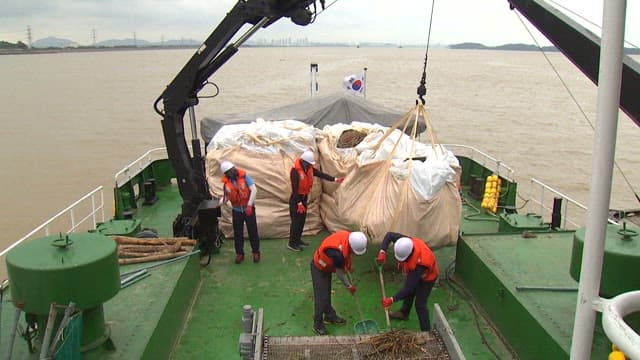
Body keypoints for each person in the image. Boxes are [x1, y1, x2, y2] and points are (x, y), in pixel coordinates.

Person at [377, 232, 439, 331]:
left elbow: (408, 289)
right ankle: (404, 313)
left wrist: (392, 299)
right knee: (410, 293)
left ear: (409, 256)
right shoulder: (405, 243)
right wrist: (382, 251)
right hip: (414, 270)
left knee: (420, 304)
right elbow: (389, 235)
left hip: (428, 277)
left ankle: (426, 332)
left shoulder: (420, 264)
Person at [310, 230, 368, 335]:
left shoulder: (348, 236)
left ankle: (329, 316)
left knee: (326, 293)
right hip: (319, 267)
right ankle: (317, 325)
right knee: (321, 297)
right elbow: (340, 274)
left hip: (327, 266)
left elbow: (344, 258)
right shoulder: (337, 255)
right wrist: (349, 286)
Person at [288, 150, 344, 252]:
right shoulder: (295, 171)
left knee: (301, 221)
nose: (310, 165)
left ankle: (298, 239)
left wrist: (335, 179)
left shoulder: (309, 169)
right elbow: (295, 189)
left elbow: (320, 174)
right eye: (309, 163)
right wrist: (299, 203)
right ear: (304, 161)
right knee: (296, 221)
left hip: (304, 197)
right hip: (296, 199)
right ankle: (292, 243)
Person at [219, 160, 260, 264]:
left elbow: (254, 190)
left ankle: (256, 252)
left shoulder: (245, 177)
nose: (232, 172)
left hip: (248, 208)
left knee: (253, 231)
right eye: (229, 172)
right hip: (237, 210)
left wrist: (250, 205)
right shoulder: (227, 184)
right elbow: (226, 196)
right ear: (226, 174)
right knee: (238, 233)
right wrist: (218, 203)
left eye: (232, 170)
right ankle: (239, 253)